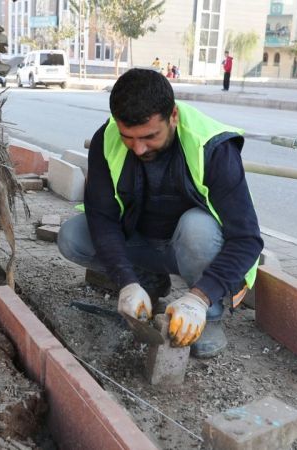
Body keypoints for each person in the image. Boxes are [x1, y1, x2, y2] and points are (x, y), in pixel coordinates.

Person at [57, 69, 263, 358]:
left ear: (173, 116)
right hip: (144, 243)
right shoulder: (107, 139)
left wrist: (198, 299)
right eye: (128, 137)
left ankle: (210, 314)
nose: (139, 148)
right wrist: (126, 282)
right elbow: (102, 217)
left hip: (192, 248)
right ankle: (148, 283)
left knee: (197, 228)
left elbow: (247, 239)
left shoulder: (213, 147)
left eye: (150, 136)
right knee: (73, 236)